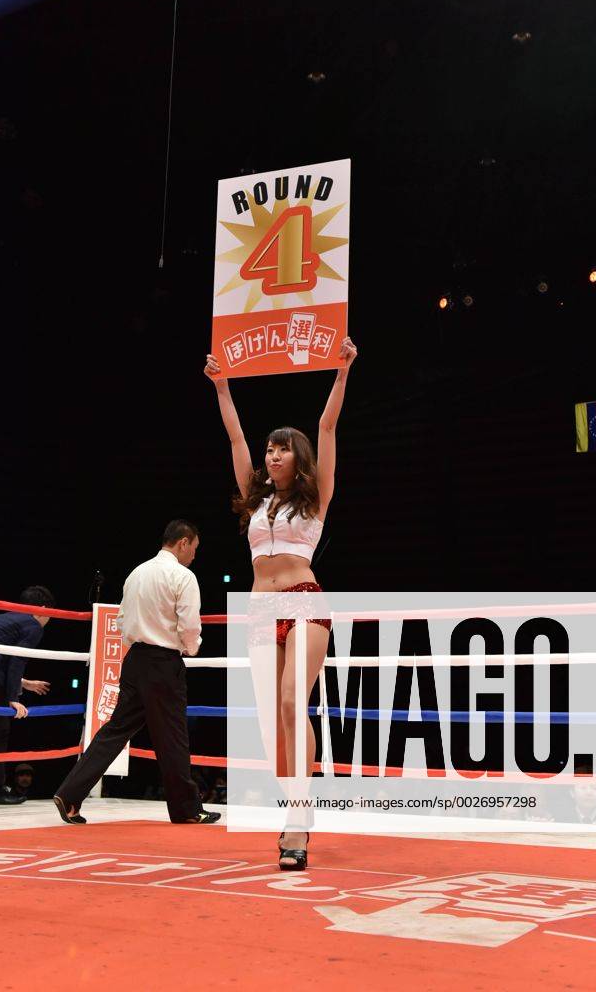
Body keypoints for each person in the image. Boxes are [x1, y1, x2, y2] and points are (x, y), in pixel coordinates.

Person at [204, 336, 358, 869]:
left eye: (282, 448)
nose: (272, 454)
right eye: (270, 448)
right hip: (259, 612)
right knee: (273, 720)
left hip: (304, 600)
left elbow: (328, 428)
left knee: (295, 703)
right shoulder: (255, 499)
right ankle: (294, 807)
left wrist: (340, 373)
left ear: (299, 458)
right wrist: (222, 384)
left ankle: (300, 817)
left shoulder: (315, 499)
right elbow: (234, 435)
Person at [53, 520, 221, 826]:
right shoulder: (182, 575)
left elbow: (121, 620)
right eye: (194, 549)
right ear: (183, 542)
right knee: (172, 735)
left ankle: (70, 794)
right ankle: (187, 809)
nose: (194, 556)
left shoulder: (136, 573)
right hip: (162, 663)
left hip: (134, 661)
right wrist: (190, 647)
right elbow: (190, 625)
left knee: (115, 730)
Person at [0, 585, 54, 805]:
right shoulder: (32, 624)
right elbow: (16, 660)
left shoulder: (10, 619)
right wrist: (13, 696)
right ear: (43, 609)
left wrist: (23, 683)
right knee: (0, 728)